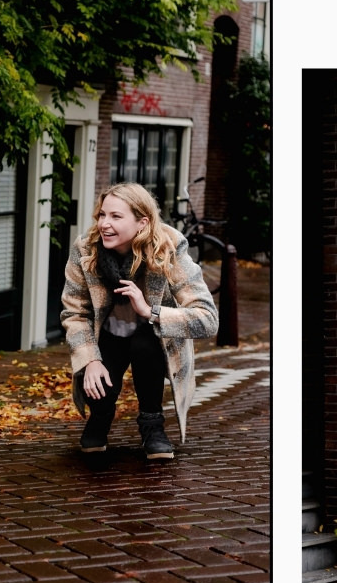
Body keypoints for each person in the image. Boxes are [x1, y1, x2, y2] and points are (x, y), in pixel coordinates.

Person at [61, 183, 219, 460]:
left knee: (146, 346)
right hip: (107, 333)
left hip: (151, 334)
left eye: (116, 217)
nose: (104, 224)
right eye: (102, 215)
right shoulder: (86, 249)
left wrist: (150, 312)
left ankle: (152, 424)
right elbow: (75, 312)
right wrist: (89, 360)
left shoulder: (170, 247)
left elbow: (207, 318)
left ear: (142, 222)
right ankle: (100, 417)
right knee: (100, 373)